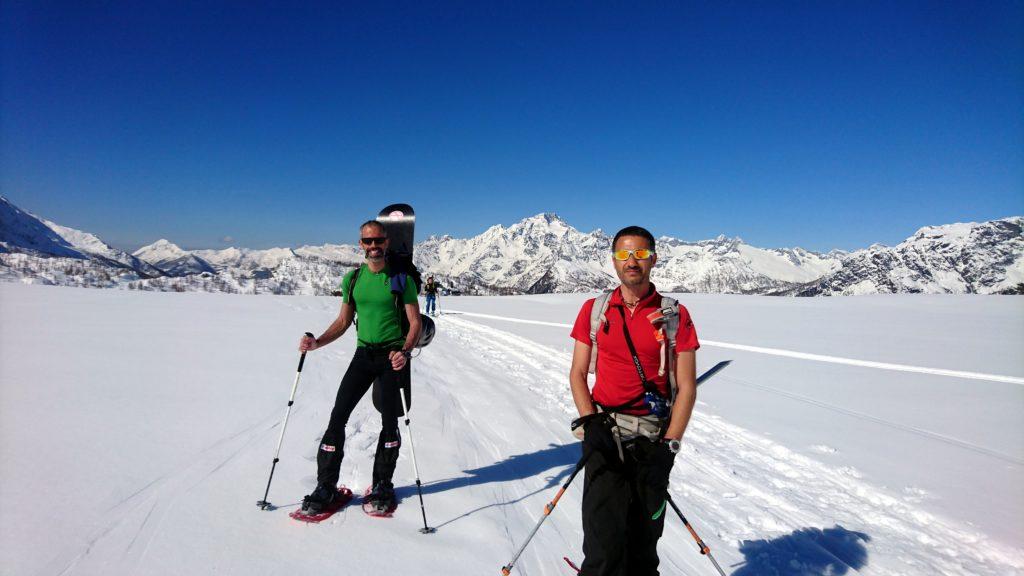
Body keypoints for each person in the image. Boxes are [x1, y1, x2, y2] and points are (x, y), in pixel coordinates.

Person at [568, 225, 700, 576]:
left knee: (644, 544)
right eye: (624, 254)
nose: (632, 261)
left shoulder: (675, 315)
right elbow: (578, 374)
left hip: (652, 439)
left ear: (653, 259)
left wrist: (669, 446)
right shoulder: (595, 310)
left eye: (641, 254)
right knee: (602, 543)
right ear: (613, 260)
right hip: (605, 436)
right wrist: (590, 422)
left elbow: (686, 387)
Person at [297, 220, 422, 515]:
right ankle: (325, 486)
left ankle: (382, 484)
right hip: (363, 356)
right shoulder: (352, 280)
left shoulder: (401, 280)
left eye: (378, 240)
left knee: (390, 422)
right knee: (337, 417)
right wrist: (317, 343)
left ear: (387, 242)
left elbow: (415, 321)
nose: (373, 246)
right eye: (368, 241)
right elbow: (342, 323)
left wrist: (405, 351)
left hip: (392, 357)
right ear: (361, 244)